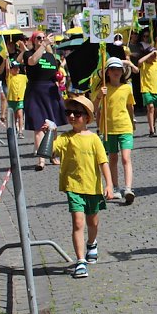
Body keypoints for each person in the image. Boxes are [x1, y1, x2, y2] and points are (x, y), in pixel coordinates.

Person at [44, 95, 114, 279]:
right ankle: (80, 261)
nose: (72, 116)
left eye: (77, 113)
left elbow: (103, 162)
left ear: (87, 117)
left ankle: (92, 243)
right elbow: (50, 150)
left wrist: (110, 184)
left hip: (93, 188)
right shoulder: (66, 138)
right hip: (73, 187)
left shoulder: (94, 139)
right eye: (69, 113)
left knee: (93, 222)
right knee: (78, 222)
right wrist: (50, 132)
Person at [18, 32, 67, 171]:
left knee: (53, 125)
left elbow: (55, 69)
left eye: (43, 37)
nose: (42, 40)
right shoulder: (29, 53)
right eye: (38, 38)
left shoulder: (50, 55)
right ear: (33, 41)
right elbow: (32, 61)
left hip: (51, 91)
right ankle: (41, 159)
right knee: (38, 126)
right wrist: (43, 45)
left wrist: (60, 79)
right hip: (36, 91)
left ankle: (53, 154)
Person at [93, 57, 137, 205]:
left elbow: (130, 107)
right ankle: (116, 187)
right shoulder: (103, 89)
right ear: (108, 72)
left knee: (126, 158)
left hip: (125, 127)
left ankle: (128, 188)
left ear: (122, 72)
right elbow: (94, 107)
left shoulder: (127, 88)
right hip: (109, 129)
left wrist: (132, 122)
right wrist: (100, 95)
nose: (116, 72)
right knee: (112, 158)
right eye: (112, 69)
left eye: (118, 69)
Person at [138, 47, 157, 137]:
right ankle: (151, 130)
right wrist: (150, 54)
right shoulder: (143, 64)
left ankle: (153, 124)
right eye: (153, 55)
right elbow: (139, 62)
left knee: (156, 111)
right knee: (150, 108)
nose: (155, 56)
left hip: (156, 90)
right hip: (146, 89)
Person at [6, 61, 27, 138]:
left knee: (20, 115)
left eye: (18, 67)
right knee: (14, 115)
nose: (17, 69)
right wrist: (6, 60)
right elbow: (7, 70)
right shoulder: (9, 77)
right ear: (11, 69)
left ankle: (20, 131)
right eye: (15, 68)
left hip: (20, 99)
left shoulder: (23, 77)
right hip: (11, 99)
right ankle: (14, 128)